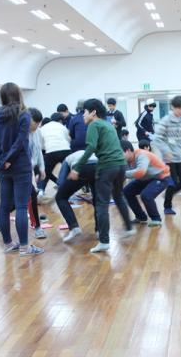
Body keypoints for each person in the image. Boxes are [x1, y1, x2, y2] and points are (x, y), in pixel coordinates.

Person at [69, 99, 134, 253]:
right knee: (118, 196)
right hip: (121, 166)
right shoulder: (108, 124)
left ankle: (104, 241)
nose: (83, 115)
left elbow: (91, 147)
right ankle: (129, 227)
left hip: (107, 166)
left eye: (85, 112)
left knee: (101, 203)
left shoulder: (94, 125)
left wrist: (77, 168)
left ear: (93, 112)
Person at [0, 82, 43, 256]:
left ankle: (8, 244)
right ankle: (24, 247)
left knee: (4, 207)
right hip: (20, 166)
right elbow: (21, 142)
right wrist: (7, 160)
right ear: (18, 94)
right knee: (20, 207)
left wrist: (1, 161)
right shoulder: (23, 114)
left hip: (4, 169)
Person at [151, 96, 181, 215]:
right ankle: (167, 206)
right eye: (179, 108)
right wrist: (166, 151)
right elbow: (157, 139)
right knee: (173, 182)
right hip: (169, 158)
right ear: (173, 107)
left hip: (180, 156)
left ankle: (168, 194)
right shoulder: (165, 121)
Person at [122, 140, 171, 227]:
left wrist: (122, 174)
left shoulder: (142, 155)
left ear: (128, 151)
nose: (118, 156)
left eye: (120, 153)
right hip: (147, 178)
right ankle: (141, 217)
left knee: (146, 195)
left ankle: (156, 219)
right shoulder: (127, 159)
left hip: (161, 177)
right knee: (127, 191)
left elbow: (140, 172)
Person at [58, 150, 99, 243]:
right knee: (98, 200)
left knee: (60, 197)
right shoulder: (92, 154)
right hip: (98, 166)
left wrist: (66, 190)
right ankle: (100, 231)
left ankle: (74, 227)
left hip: (81, 168)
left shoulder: (67, 159)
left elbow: (60, 181)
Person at [38, 112, 71, 194]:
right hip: (65, 150)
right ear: (60, 121)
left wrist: (46, 148)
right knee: (70, 170)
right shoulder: (62, 127)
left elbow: (41, 144)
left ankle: (41, 190)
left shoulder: (43, 128)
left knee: (45, 171)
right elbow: (68, 139)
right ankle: (68, 189)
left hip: (51, 151)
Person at [27, 108, 47, 239]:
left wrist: (42, 168)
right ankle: (37, 227)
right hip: (21, 170)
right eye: (35, 124)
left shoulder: (37, 132)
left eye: (39, 124)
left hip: (30, 168)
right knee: (30, 196)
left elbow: (38, 150)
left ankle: (37, 227)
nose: (37, 127)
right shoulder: (21, 133)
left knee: (29, 196)